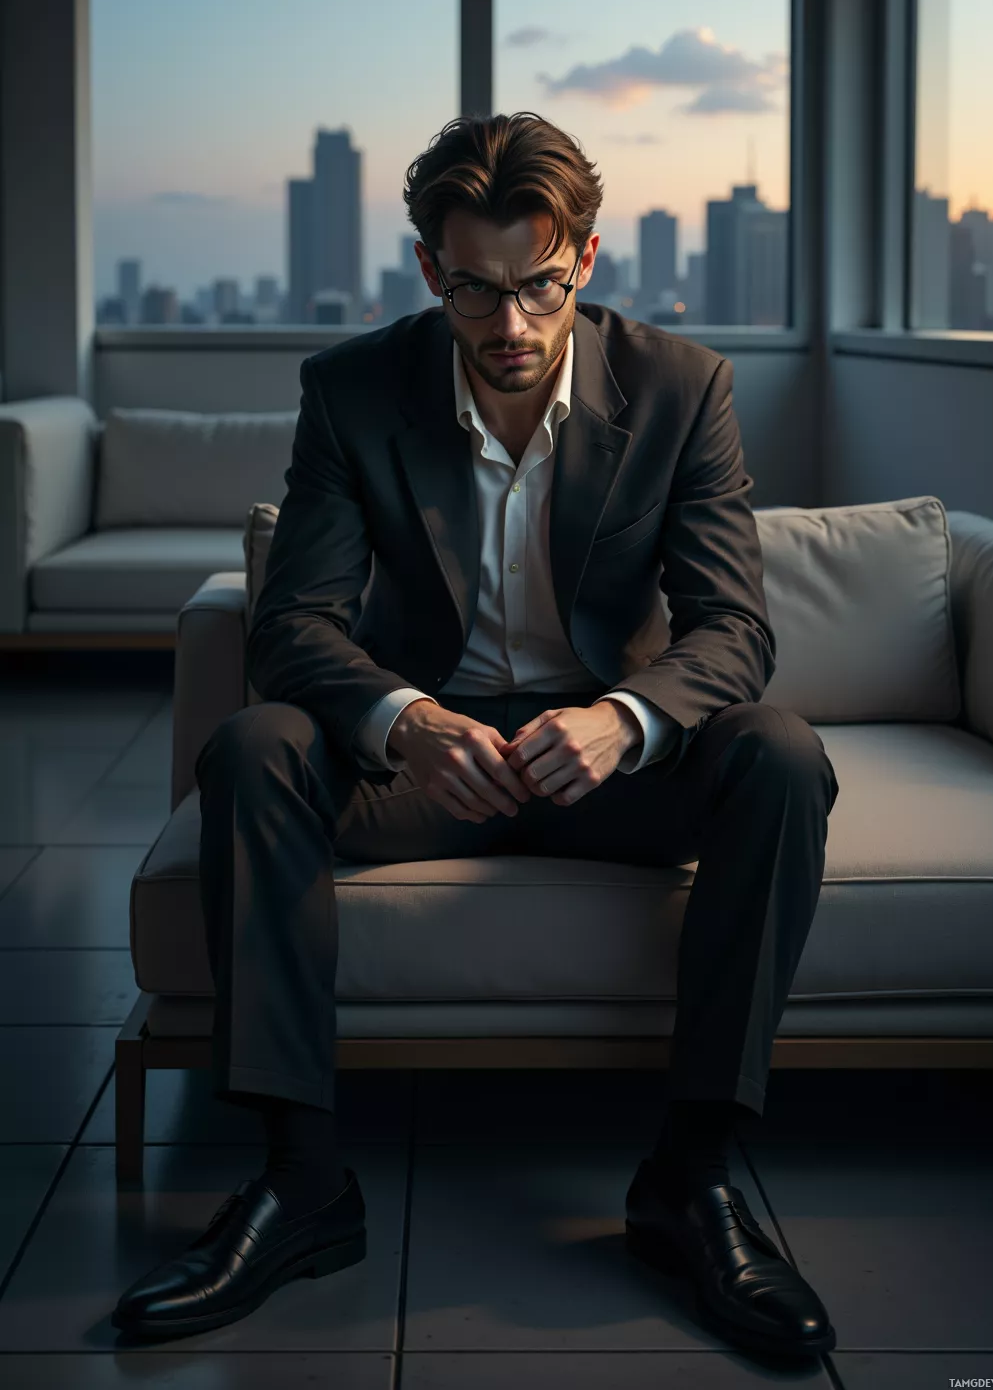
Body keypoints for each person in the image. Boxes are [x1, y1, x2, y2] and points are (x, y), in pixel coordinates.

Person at [112, 112, 840, 1358]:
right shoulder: (351, 389)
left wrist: (625, 720)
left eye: (538, 288)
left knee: (779, 751)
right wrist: (403, 722)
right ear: (428, 271)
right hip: (426, 759)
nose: (508, 327)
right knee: (254, 746)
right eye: (474, 291)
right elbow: (293, 627)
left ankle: (692, 1177)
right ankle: (301, 1184)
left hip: (602, 761)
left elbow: (733, 631)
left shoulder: (681, 386)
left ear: (588, 262)